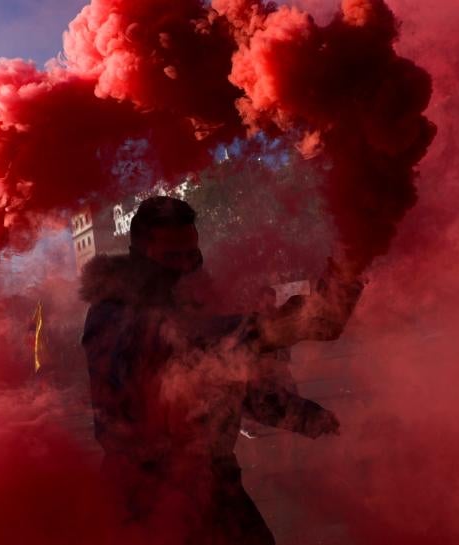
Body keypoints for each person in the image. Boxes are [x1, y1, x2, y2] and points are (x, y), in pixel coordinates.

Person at [80, 196, 361, 544]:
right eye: (171, 258)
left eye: (191, 256)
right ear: (140, 256)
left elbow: (231, 377)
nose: (185, 268)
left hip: (215, 481)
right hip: (149, 493)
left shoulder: (194, 302)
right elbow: (168, 349)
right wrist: (270, 329)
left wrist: (305, 416)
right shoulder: (111, 313)